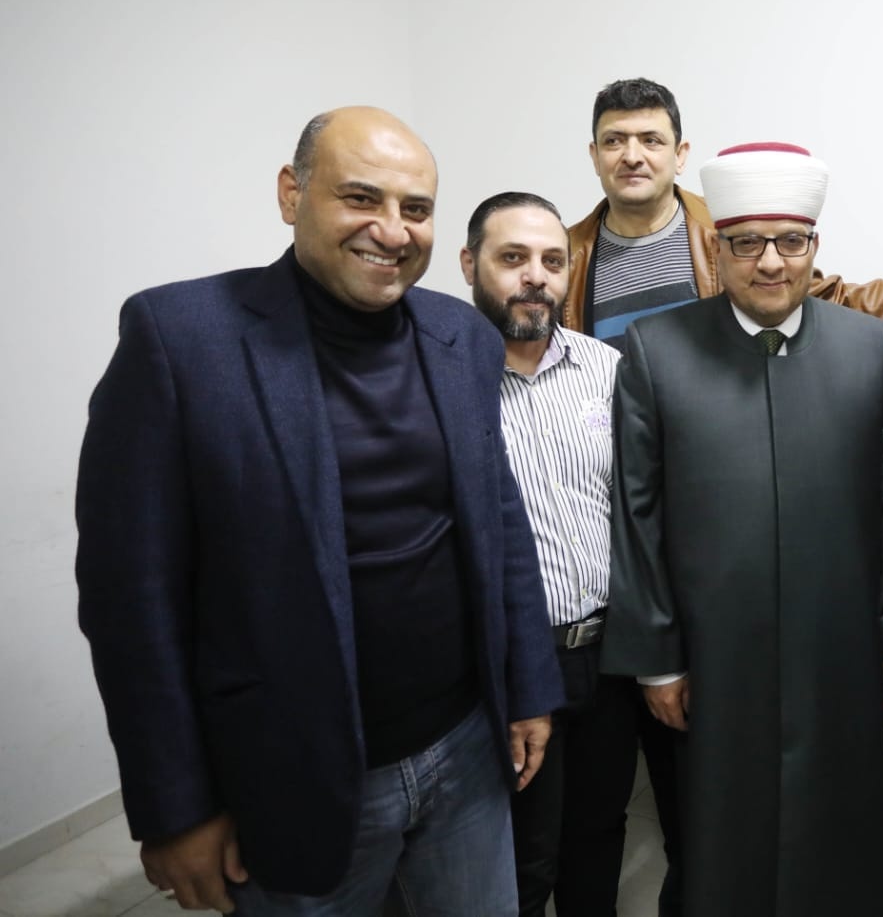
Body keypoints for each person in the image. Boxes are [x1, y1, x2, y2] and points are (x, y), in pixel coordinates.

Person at [75, 107, 564, 915]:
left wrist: (529, 686)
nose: (392, 230)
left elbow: (500, 521)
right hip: (291, 773)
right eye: (360, 198)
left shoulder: (462, 336)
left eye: (415, 209)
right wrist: (176, 805)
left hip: (466, 750)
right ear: (291, 193)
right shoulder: (181, 340)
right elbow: (131, 600)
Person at [602, 142, 883, 917]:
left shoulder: (869, 346)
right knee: (723, 837)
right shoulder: (656, 349)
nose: (771, 262)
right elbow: (636, 512)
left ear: (814, 245)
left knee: (839, 829)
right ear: (718, 248)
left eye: (791, 241)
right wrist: (657, 661)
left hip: (839, 649)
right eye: (747, 243)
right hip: (714, 655)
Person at [460, 192, 636, 916]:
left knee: (600, 829)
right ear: (469, 265)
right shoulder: (444, 380)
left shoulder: (607, 369)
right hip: (511, 663)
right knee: (525, 855)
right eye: (513, 258)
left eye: (552, 260)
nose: (536, 276)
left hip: (610, 653)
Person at [564, 77, 883, 343]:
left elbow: (830, 298)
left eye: (651, 140)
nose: (632, 157)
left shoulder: (730, 233)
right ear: (595, 156)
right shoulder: (562, 258)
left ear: (680, 155)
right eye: (614, 141)